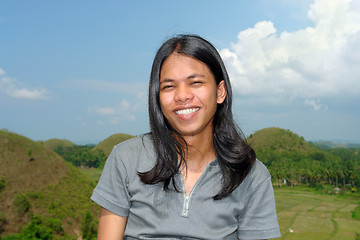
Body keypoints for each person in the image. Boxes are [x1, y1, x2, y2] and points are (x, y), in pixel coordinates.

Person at [91, 34, 281, 240]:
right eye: (169, 86)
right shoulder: (126, 159)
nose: (182, 96)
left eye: (196, 82)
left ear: (220, 92)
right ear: (157, 97)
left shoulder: (252, 176)